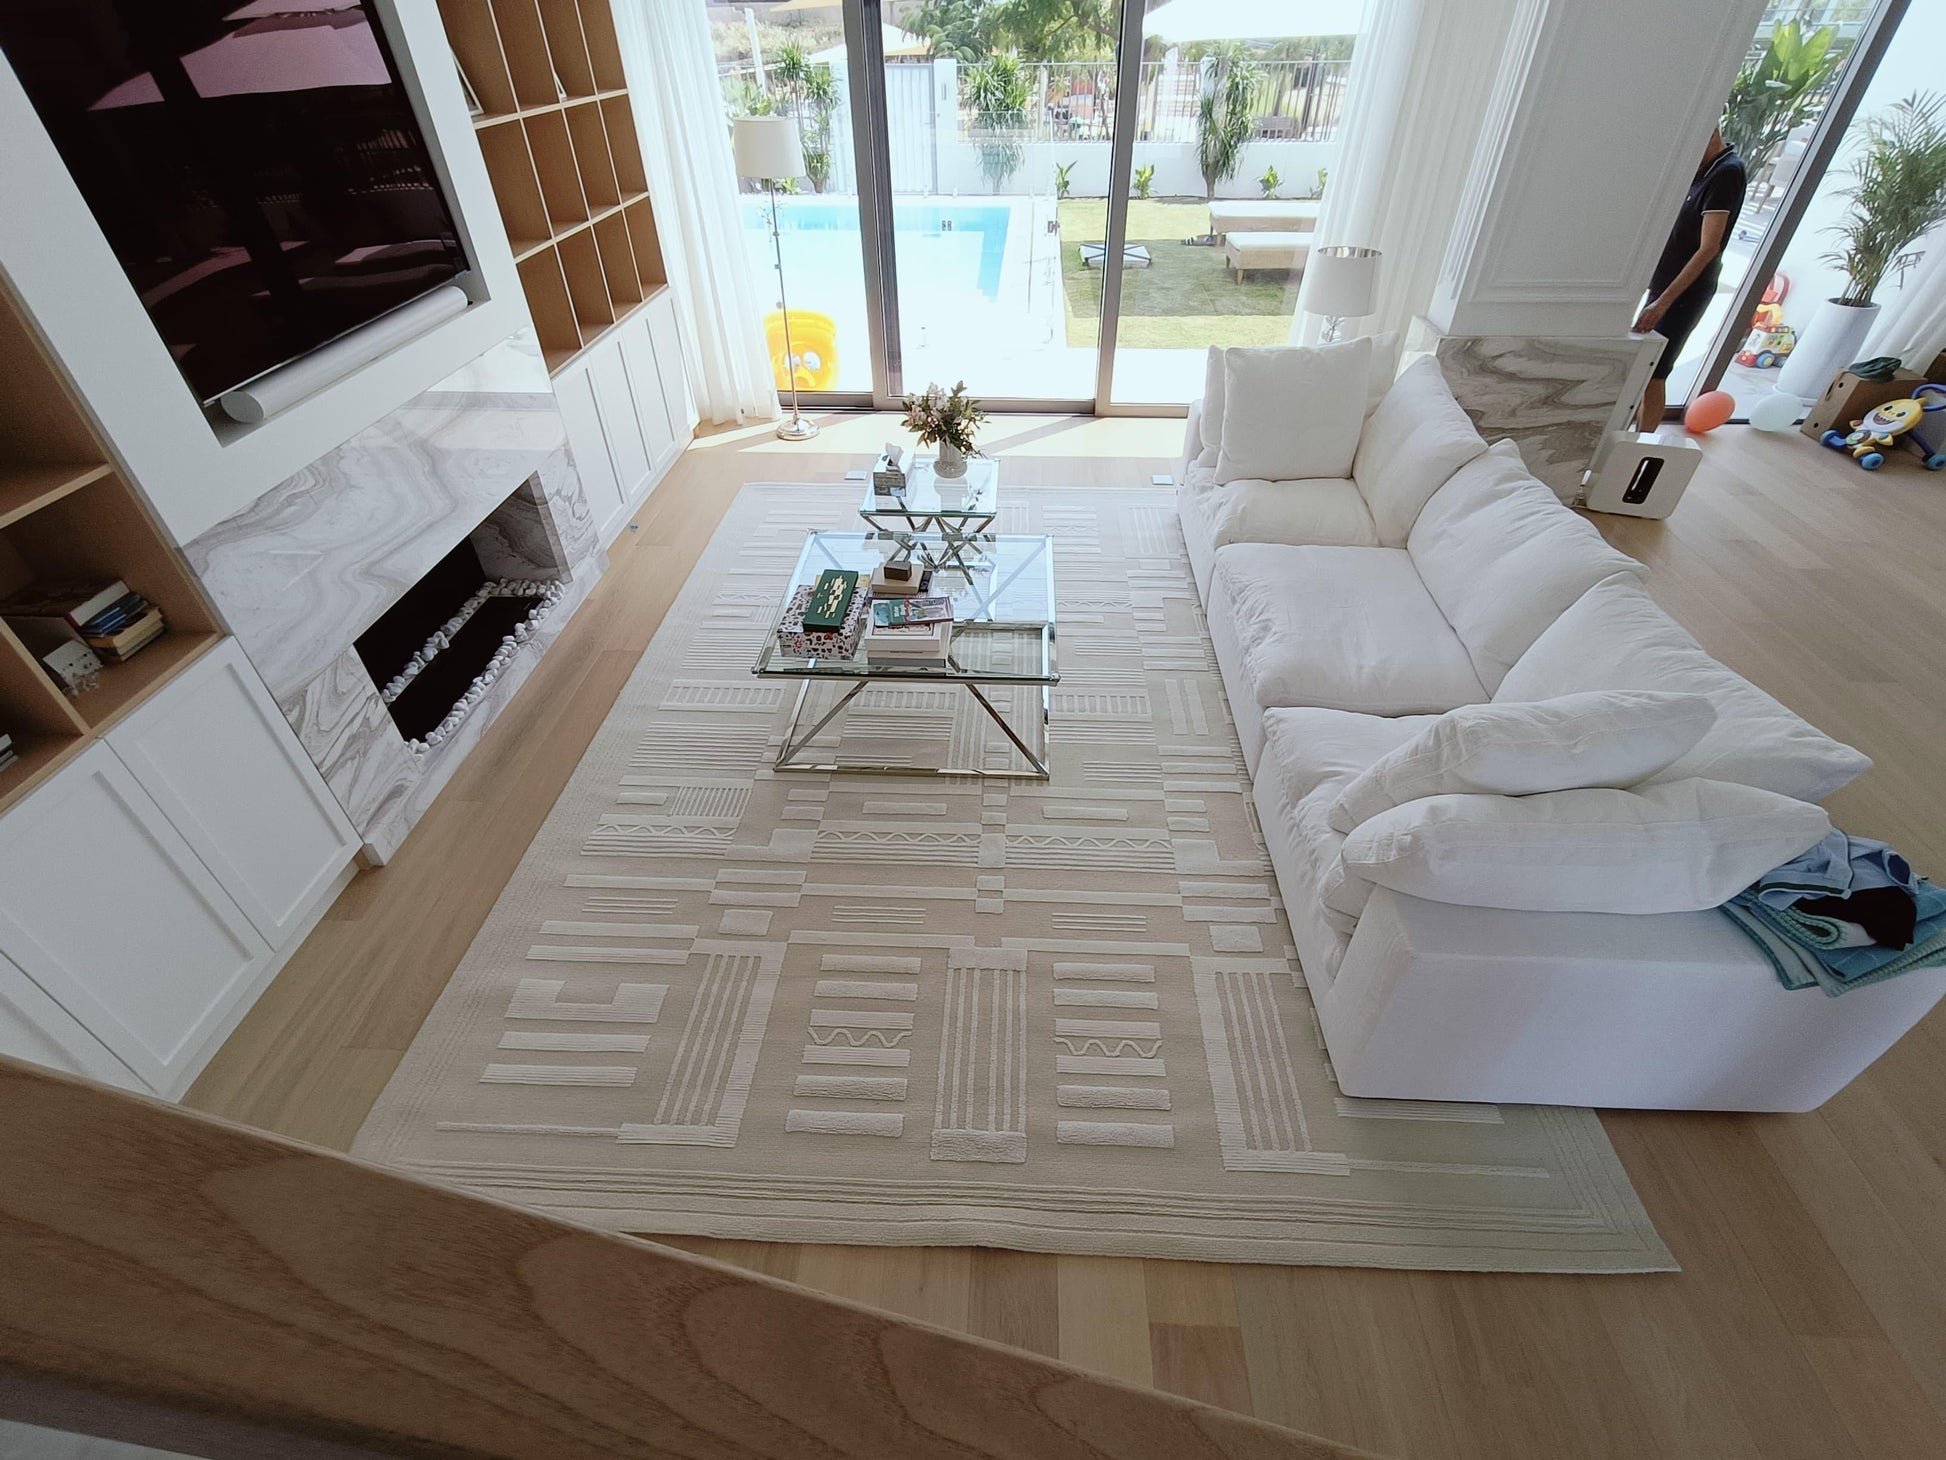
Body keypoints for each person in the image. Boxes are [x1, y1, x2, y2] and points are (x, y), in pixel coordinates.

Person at [1634, 126, 1747, 429]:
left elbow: (1709, 248)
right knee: (1641, 371)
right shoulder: (1701, 170)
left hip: (1683, 295)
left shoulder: (1727, 173)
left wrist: (1662, 304)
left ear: (1710, 132)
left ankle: (1638, 451)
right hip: (1663, 286)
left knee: (1654, 372)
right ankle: (1626, 442)